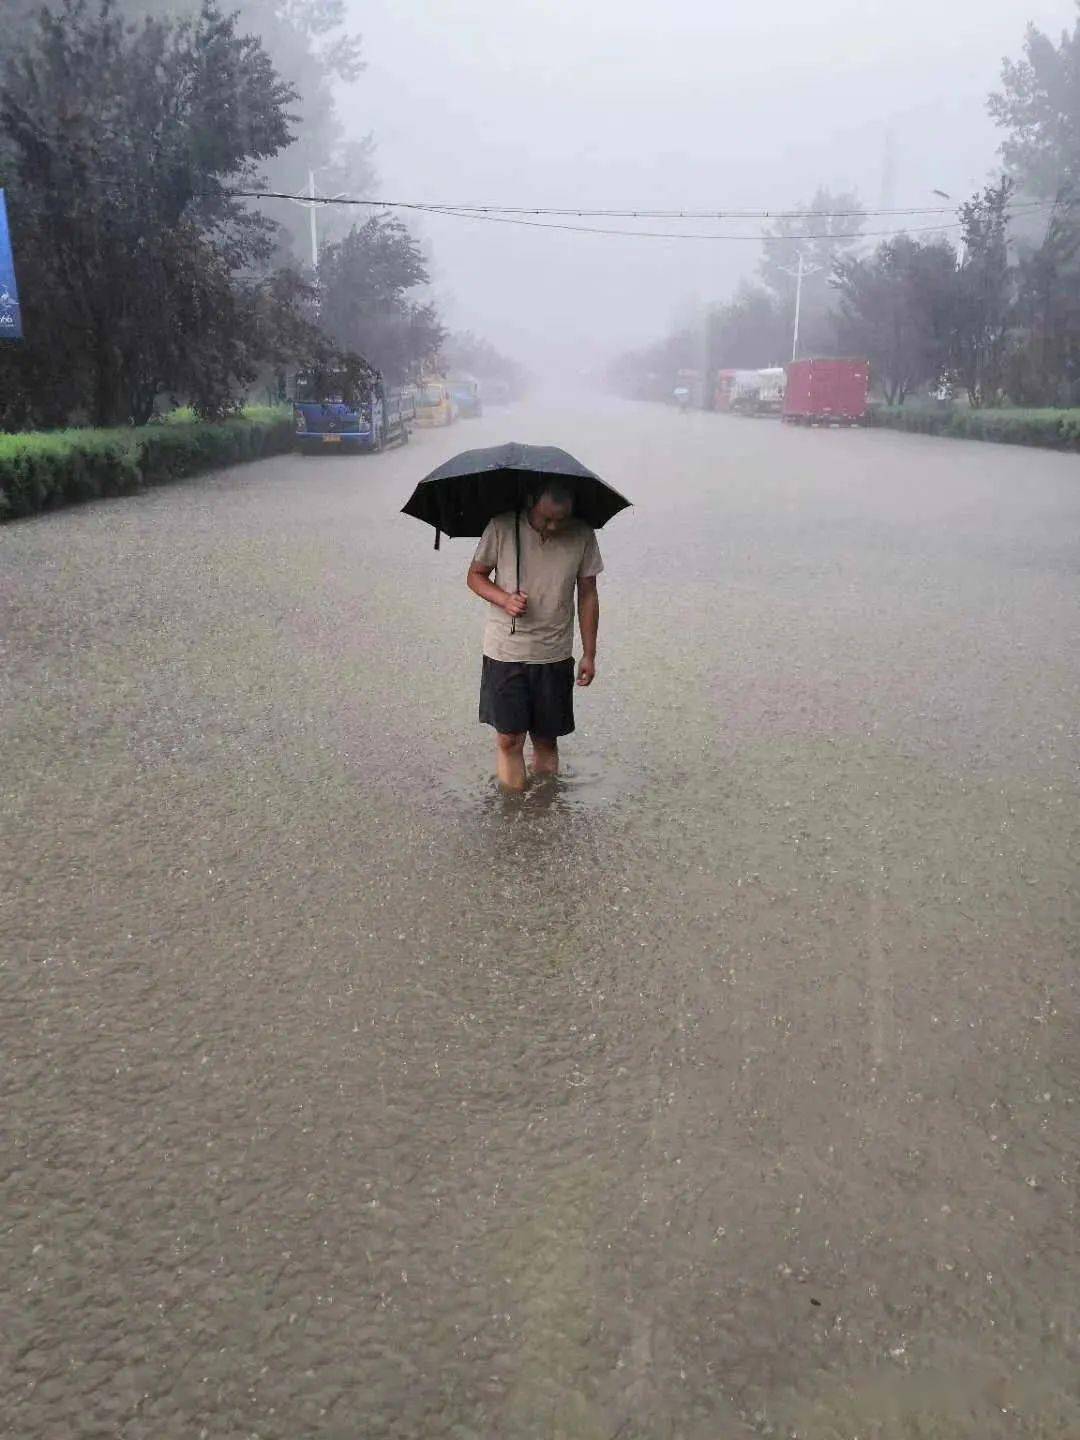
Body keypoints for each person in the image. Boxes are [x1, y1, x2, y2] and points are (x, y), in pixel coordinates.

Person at [467, 481, 603, 791]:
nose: (553, 526)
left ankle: (544, 807)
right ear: (531, 502)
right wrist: (503, 599)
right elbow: (475, 576)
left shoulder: (582, 534)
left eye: (561, 519)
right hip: (506, 651)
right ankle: (513, 807)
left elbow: (588, 595)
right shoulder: (502, 527)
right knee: (509, 739)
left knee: (546, 739)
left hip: (554, 653)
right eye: (546, 518)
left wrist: (590, 653)